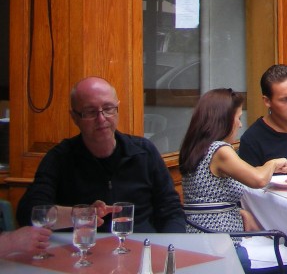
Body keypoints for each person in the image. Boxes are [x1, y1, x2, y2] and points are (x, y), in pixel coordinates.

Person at [16, 77, 185, 233]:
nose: (101, 118)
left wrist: (167, 249)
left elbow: (171, 211)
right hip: (81, 254)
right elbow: (29, 213)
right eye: (90, 112)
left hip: (141, 251)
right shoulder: (60, 158)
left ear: (117, 108)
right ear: (74, 117)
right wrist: (82, 215)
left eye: (108, 108)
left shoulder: (144, 152)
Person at [179, 89, 287, 273]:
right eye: (238, 117)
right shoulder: (220, 150)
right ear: (223, 120)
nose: (240, 125)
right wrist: (273, 163)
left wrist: (241, 212)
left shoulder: (196, 147)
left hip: (199, 236)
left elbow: (245, 173)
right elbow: (257, 180)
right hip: (222, 245)